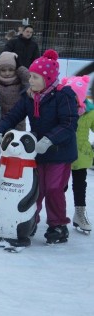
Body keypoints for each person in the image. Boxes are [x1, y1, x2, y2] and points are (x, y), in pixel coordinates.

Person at [0, 50, 79, 245]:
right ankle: (29, 220)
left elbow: (69, 123)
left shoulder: (63, 96)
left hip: (59, 152)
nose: (30, 80)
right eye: (30, 76)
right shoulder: (29, 96)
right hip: (37, 152)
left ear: (48, 79)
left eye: (35, 77)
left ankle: (58, 225)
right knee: (35, 188)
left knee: (54, 188)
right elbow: (13, 115)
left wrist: (49, 139)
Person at [0, 51, 30, 170]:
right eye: (3, 69)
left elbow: (29, 78)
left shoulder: (21, 82)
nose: (7, 73)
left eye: (11, 69)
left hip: (17, 124)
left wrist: (20, 67)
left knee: (14, 153)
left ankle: (12, 179)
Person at [67, 78, 93, 234]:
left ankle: (80, 214)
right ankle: (56, 216)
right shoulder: (63, 109)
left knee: (79, 185)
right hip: (62, 154)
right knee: (58, 187)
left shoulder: (90, 112)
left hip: (81, 155)